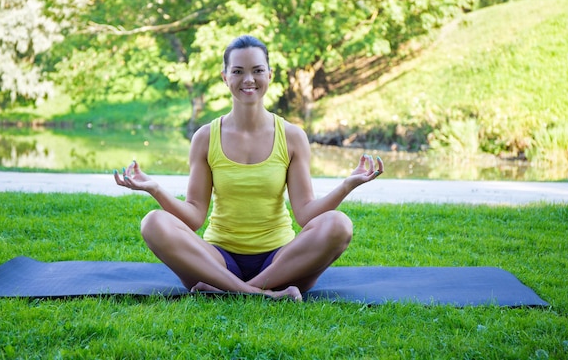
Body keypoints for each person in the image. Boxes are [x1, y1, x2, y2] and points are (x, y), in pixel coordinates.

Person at [114, 35, 384, 301]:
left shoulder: (291, 136)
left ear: (270, 75)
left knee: (339, 224)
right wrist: (155, 189)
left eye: (257, 70)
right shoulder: (206, 137)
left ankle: (233, 292)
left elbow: (305, 214)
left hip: (280, 262)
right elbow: (195, 215)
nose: (248, 80)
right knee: (153, 222)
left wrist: (348, 184)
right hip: (217, 261)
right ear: (225, 77)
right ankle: (257, 294)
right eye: (238, 71)